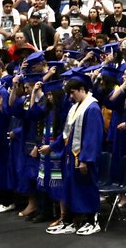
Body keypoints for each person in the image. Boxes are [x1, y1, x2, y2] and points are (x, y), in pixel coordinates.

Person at [40, 70, 104, 235]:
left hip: (83, 159)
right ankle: (71, 220)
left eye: (72, 92)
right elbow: (66, 134)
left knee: (86, 188)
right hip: (71, 157)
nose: (70, 97)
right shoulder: (75, 108)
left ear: (83, 89)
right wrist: (52, 147)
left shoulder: (92, 108)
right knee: (71, 189)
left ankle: (92, 221)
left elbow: (93, 138)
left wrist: (85, 159)